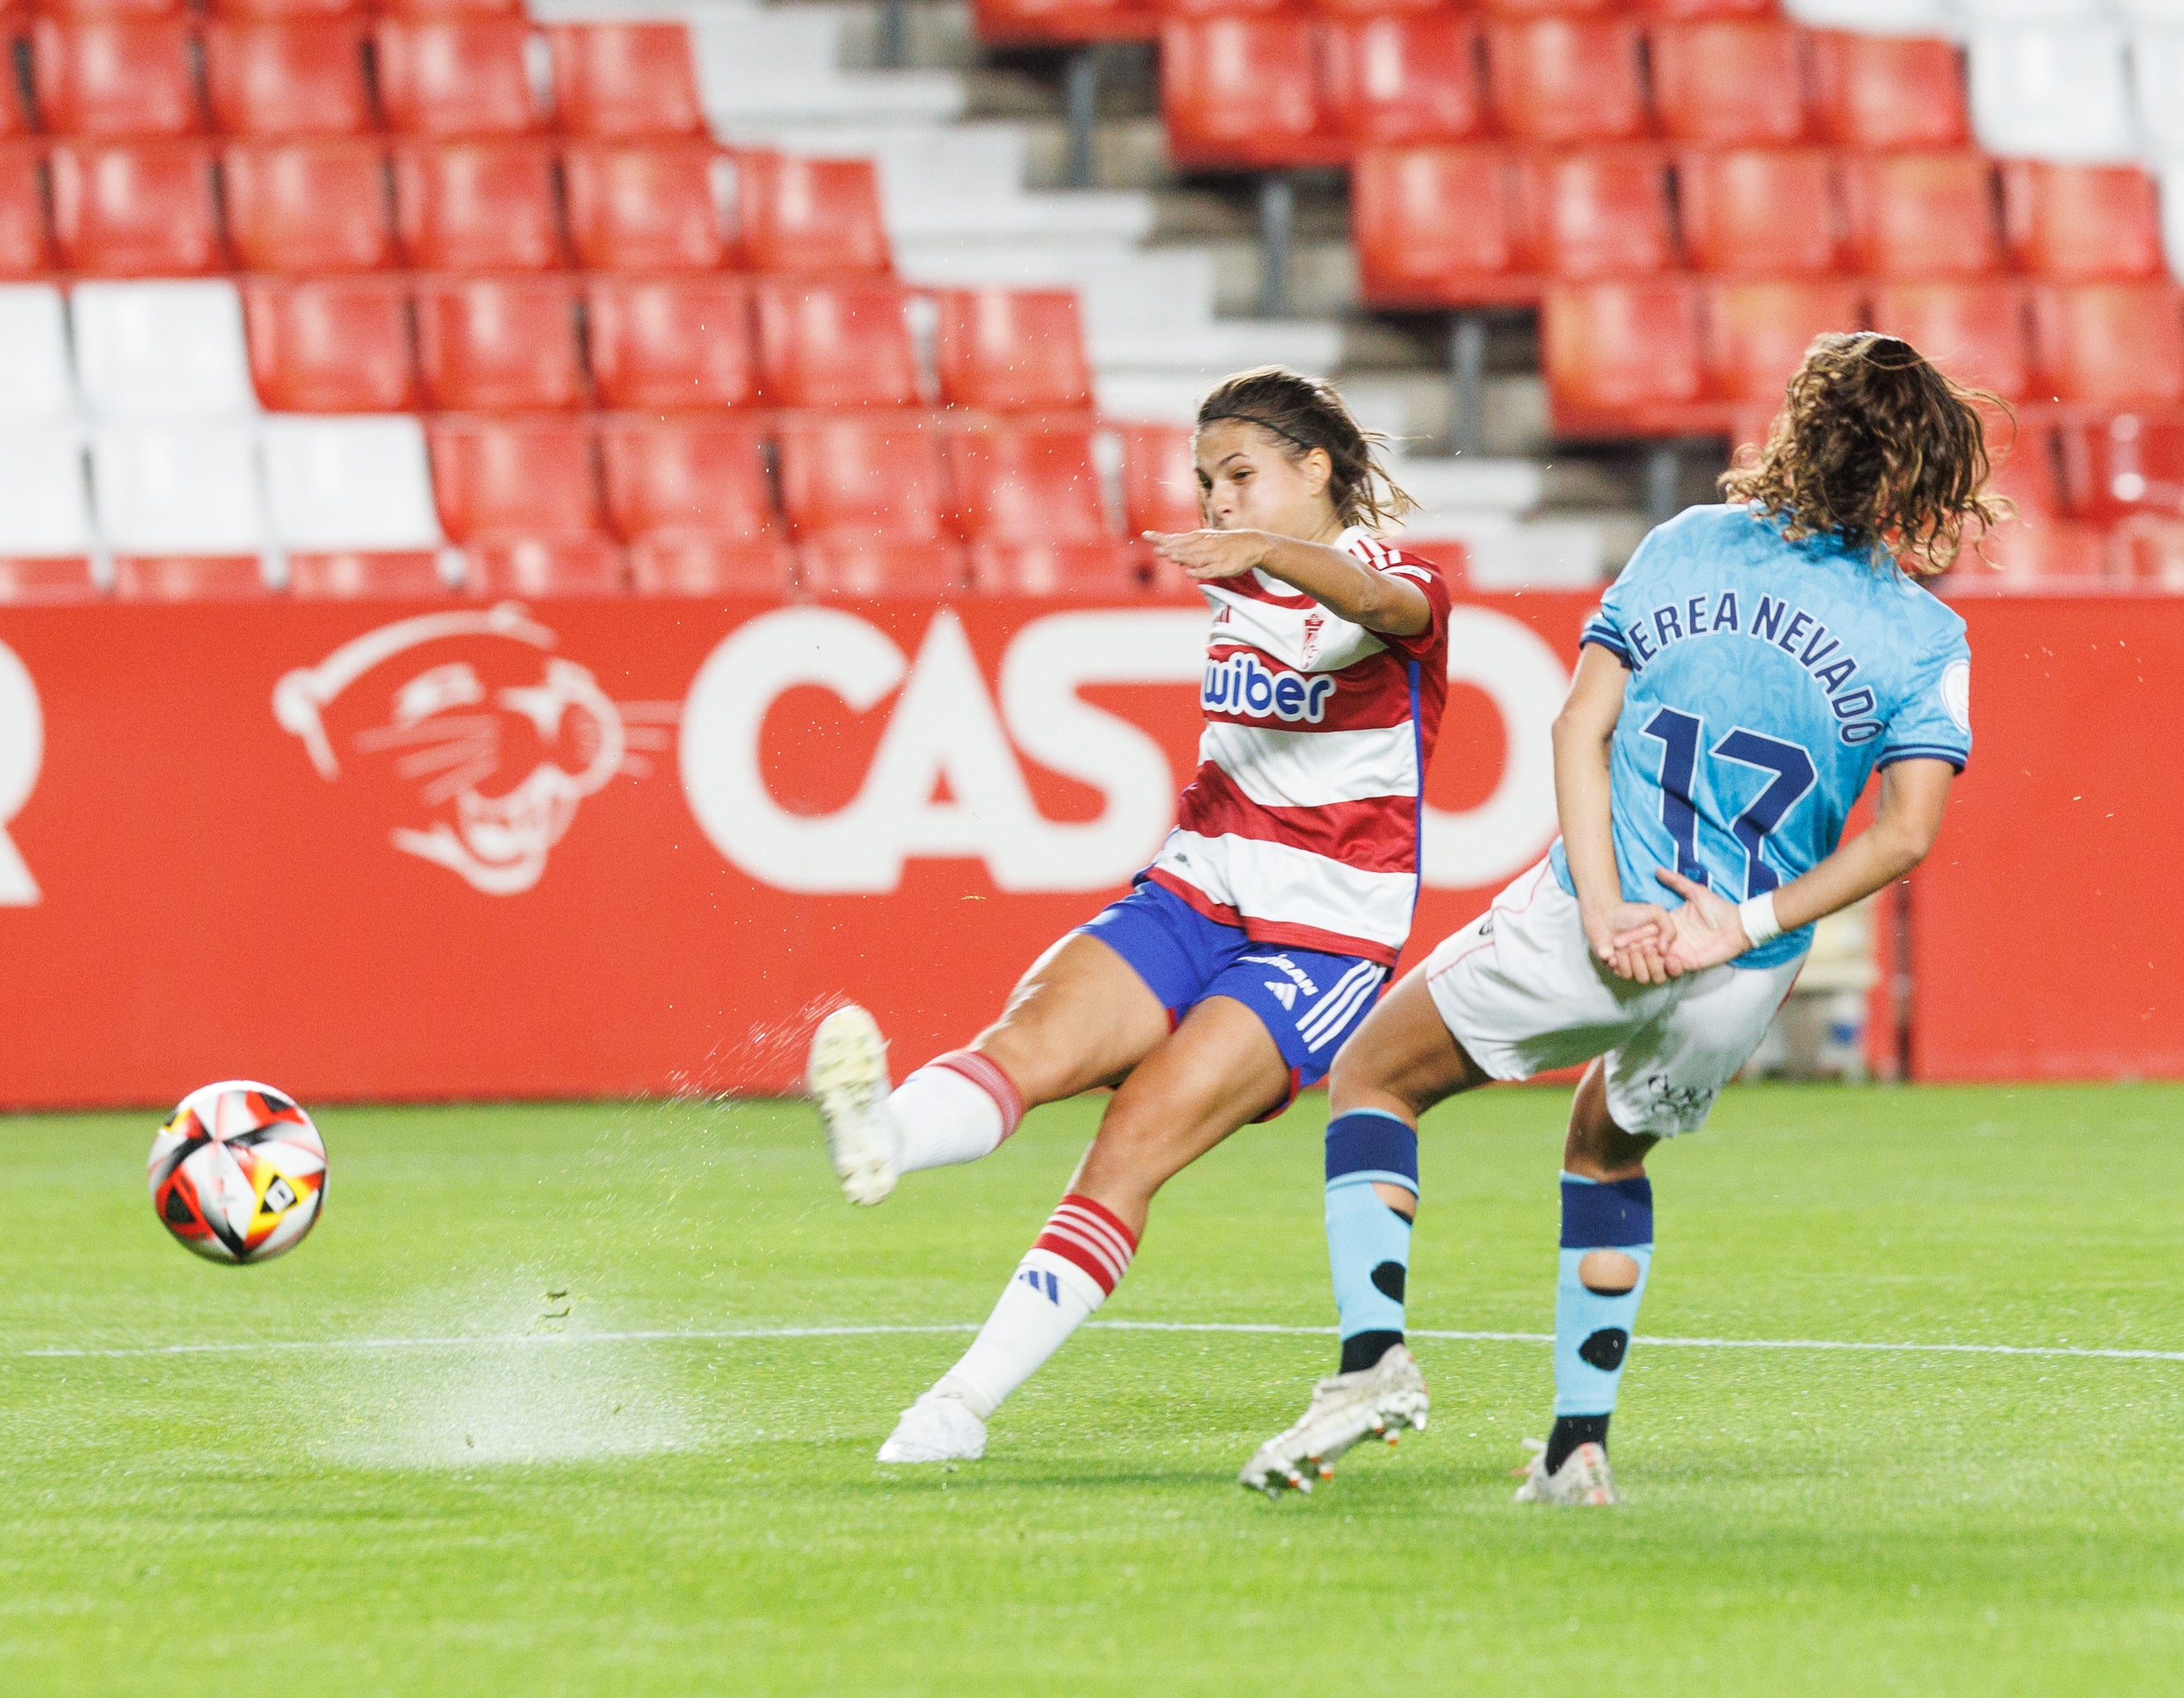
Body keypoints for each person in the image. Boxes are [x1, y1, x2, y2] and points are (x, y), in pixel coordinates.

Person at [1239, 332, 1991, 1504]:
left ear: (1802, 431)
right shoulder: (1928, 642)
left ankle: (1367, 1363)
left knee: (1376, 1079)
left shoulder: (1688, 545)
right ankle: (1576, 1448)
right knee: (1606, 1146)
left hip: (1605, 919)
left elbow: (1577, 729)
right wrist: (1735, 929)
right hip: (1739, 973)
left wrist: (1601, 906)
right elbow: (1904, 837)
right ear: (1918, 476)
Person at [807, 367, 1454, 1463]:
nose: (1218, 502)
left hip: (1320, 938)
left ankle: (955, 1407)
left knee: (1133, 1140)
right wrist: (1252, 557)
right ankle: (886, 1134)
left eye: (1241, 475)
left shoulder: (1396, 577)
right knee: (1030, 1043)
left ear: (1317, 470)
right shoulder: (1233, 577)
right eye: (1207, 483)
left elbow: (1384, 612)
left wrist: (1272, 554)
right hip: (1193, 890)